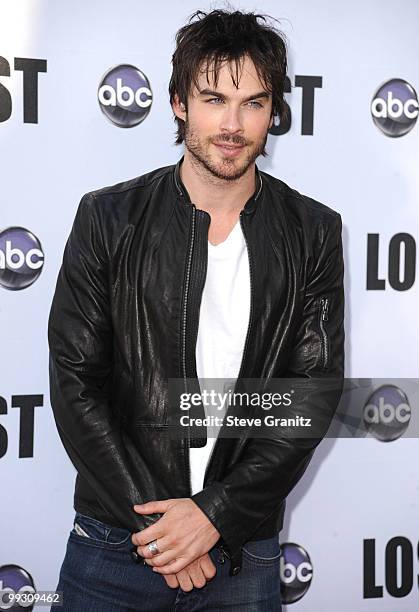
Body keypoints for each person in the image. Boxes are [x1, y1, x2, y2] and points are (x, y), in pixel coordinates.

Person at [48, 8, 345, 611]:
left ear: (274, 112)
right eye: (214, 98)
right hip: (116, 547)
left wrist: (213, 517)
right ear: (180, 102)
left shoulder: (313, 231)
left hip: (242, 552)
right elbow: (77, 384)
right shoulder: (108, 219)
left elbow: (307, 396)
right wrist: (166, 532)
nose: (233, 125)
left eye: (254, 103)